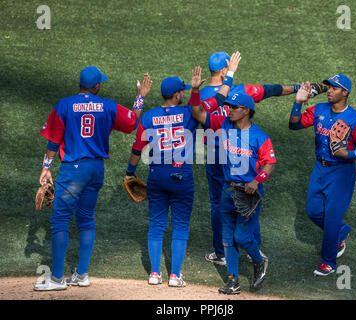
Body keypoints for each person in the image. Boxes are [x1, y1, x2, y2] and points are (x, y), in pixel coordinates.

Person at [125, 53, 242, 287]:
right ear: (178, 94)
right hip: (181, 177)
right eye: (183, 91)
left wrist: (129, 173)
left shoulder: (148, 117)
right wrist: (229, 75)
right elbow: (219, 99)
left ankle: (154, 274)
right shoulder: (189, 113)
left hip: (156, 175)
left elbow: (137, 149)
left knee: (157, 224)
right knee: (179, 226)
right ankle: (175, 276)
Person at [201, 51, 327, 266]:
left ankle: (221, 253)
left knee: (218, 204)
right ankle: (253, 249)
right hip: (241, 155)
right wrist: (300, 88)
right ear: (224, 70)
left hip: (215, 156)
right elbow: (272, 90)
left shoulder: (203, 97)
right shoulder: (241, 92)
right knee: (249, 201)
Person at [34, 67, 152, 291]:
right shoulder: (107, 105)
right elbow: (132, 122)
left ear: (80, 84)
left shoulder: (65, 105)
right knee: (86, 218)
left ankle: (57, 278)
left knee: (60, 220)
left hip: (73, 170)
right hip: (96, 169)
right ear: (96, 86)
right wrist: (140, 96)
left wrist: (46, 168)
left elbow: (52, 141)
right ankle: (81, 274)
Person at [191, 66, 277, 294]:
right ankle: (233, 281)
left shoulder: (260, 136)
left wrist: (257, 181)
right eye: (228, 106)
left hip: (250, 194)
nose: (228, 110)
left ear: (246, 111)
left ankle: (259, 260)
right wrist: (195, 90)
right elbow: (198, 114)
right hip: (228, 191)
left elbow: (270, 163)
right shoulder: (224, 125)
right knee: (228, 239)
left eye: (233, 107)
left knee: (241, 236)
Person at [289, 74, 356, 276]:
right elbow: (294, 125)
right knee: (313, 211)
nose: (330, 91)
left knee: (333, 217)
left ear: (345, 92)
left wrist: (347, 154)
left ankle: (329, 262)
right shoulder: (319, 110)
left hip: (342, 172)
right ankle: (341, 233)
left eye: (334, 88)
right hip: (320, 168)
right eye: (329, 87)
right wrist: (298, 102)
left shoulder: (355, 119)